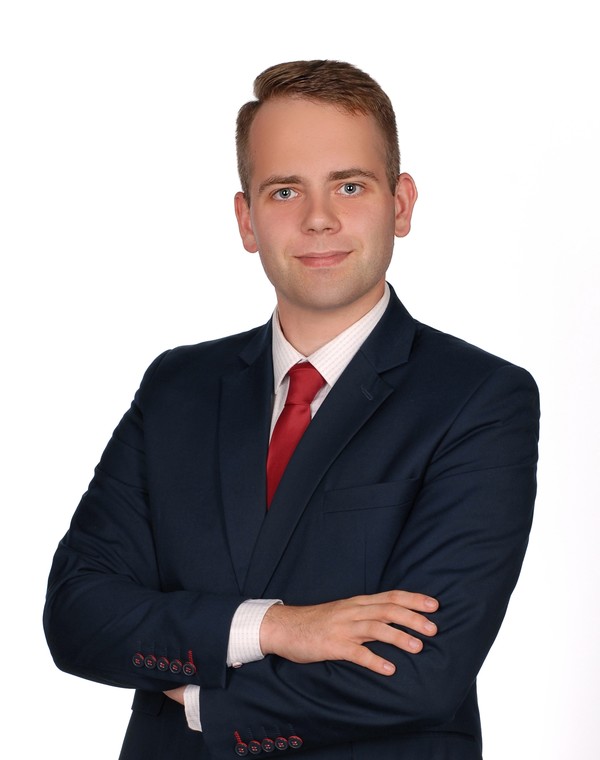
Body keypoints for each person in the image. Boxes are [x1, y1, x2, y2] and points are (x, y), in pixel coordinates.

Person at [44, 60, 539, 760]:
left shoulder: (479, 398)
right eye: (285, 190)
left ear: (400, 204)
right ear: (246, 219)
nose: (318, 218)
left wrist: (202, 698)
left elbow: (423, 674)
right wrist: (274, 627)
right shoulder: (177, 388)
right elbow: (79, 616)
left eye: (350, 185)